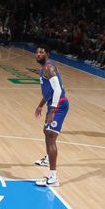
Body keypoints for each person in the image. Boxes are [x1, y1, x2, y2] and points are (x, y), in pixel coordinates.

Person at [33, 46, 69, 186]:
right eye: (37, 52)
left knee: (50, 136)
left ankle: (53, 177)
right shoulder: (44, 69)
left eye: (41, 52)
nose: (38, 54)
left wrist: (52, 111)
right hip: (53, 104)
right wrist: (41, 105)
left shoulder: (48, 68)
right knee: (46, 132)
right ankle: (48, 158)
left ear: (47, 54)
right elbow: (49, 91)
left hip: (59, 105)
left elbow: (58, 90)